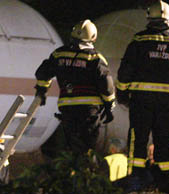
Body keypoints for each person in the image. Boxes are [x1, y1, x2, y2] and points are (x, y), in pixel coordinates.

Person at [116, 0, 169, 191]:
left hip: (141, 102)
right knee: (163, 143)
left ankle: (136, 181)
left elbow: (125, 72)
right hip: (167, 105)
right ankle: (164, 182)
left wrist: (123, 94)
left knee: (138, 141)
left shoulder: (139, 40)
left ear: (149, 18)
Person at [34, 19, 115, 155]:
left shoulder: (59, 54)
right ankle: (85, 173)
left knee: (71, 146)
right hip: (89, 110)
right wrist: (109, 106)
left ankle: (70, 171)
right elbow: (106, 84)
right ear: (93, 37)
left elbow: (42, 73)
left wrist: (41, 92)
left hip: (67, 109)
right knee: (87, 148)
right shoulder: (95, 57)